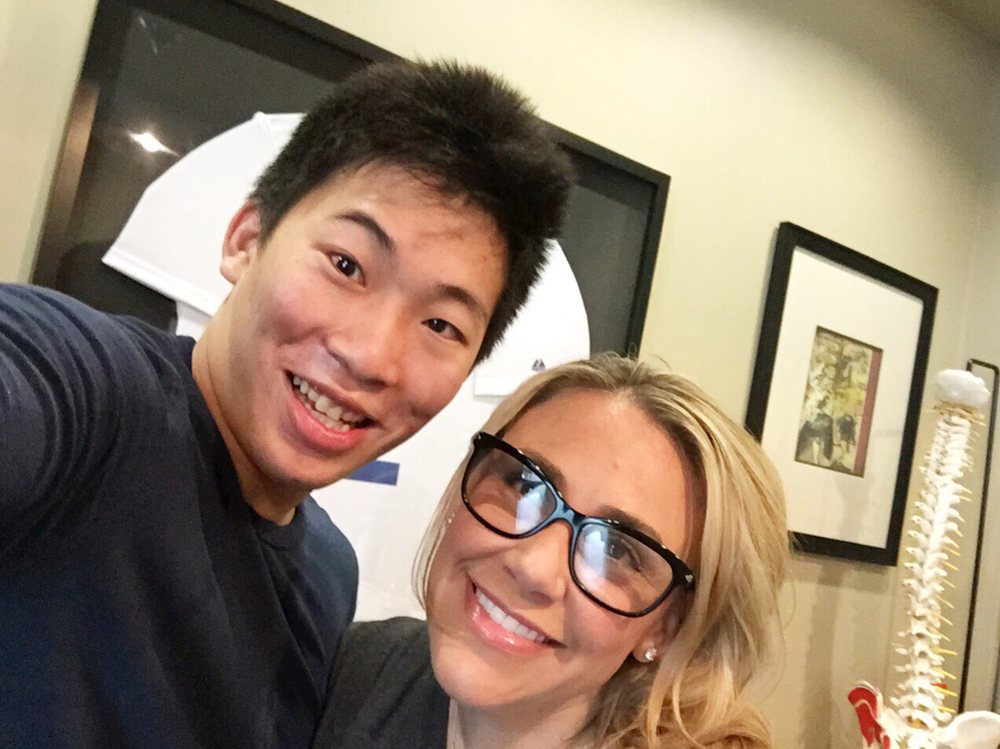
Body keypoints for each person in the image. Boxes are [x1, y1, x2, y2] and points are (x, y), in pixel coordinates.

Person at [0, 60, 571, 747]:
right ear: (247, 239)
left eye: (441, 325)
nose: (371, 356)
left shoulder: (327, 577)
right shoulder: (89, 395)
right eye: (346, 265)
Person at [316, 354, 789, 748]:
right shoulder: (352, 671)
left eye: (616, 549)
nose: (533, 567)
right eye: (525, 485)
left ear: (667, 627)